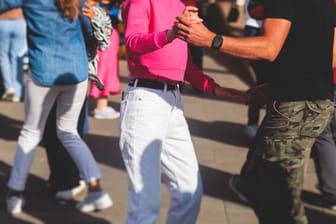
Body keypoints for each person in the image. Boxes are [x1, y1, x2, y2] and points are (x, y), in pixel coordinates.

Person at [175, 0, 336, 223]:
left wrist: (211, 39)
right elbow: (332, 53)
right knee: (252, 182)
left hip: (297, 107)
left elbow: (269, 48)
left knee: (279, 203)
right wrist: (282, 83)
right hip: (316, 100)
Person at [120, 1, 248, 223]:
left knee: (189, 193)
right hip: (145, 101)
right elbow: (132, 42)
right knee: (145, 204)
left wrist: (214, 87)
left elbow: (185, 64)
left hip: (173, 104)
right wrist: (169, 34)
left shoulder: (180, 5)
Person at [0, 0, 112, 215]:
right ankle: (97, 190)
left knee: (31, 132)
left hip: (44, 70)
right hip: (76, 71)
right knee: (70, 133)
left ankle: (15, 194)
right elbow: (90, 28)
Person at [43, 0, 113, 200]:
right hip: (68, 71)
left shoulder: (81, 6)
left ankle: (67, 180)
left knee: (60, 130)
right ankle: (66, 180)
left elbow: (98, 38)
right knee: (65, 130)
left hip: (57, 71)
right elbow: (97, 38)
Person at [89, 0, 122, 119]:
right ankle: (101, 106)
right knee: (104, 71)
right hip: (105, 36)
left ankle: (100, 105)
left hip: (104, 35)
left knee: (100, 70)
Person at [0, 8, 27, 102]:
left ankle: (9, 87)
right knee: (17, 57)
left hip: (2, 20)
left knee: (3, 56)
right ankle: (18, 92)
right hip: (20, 20)